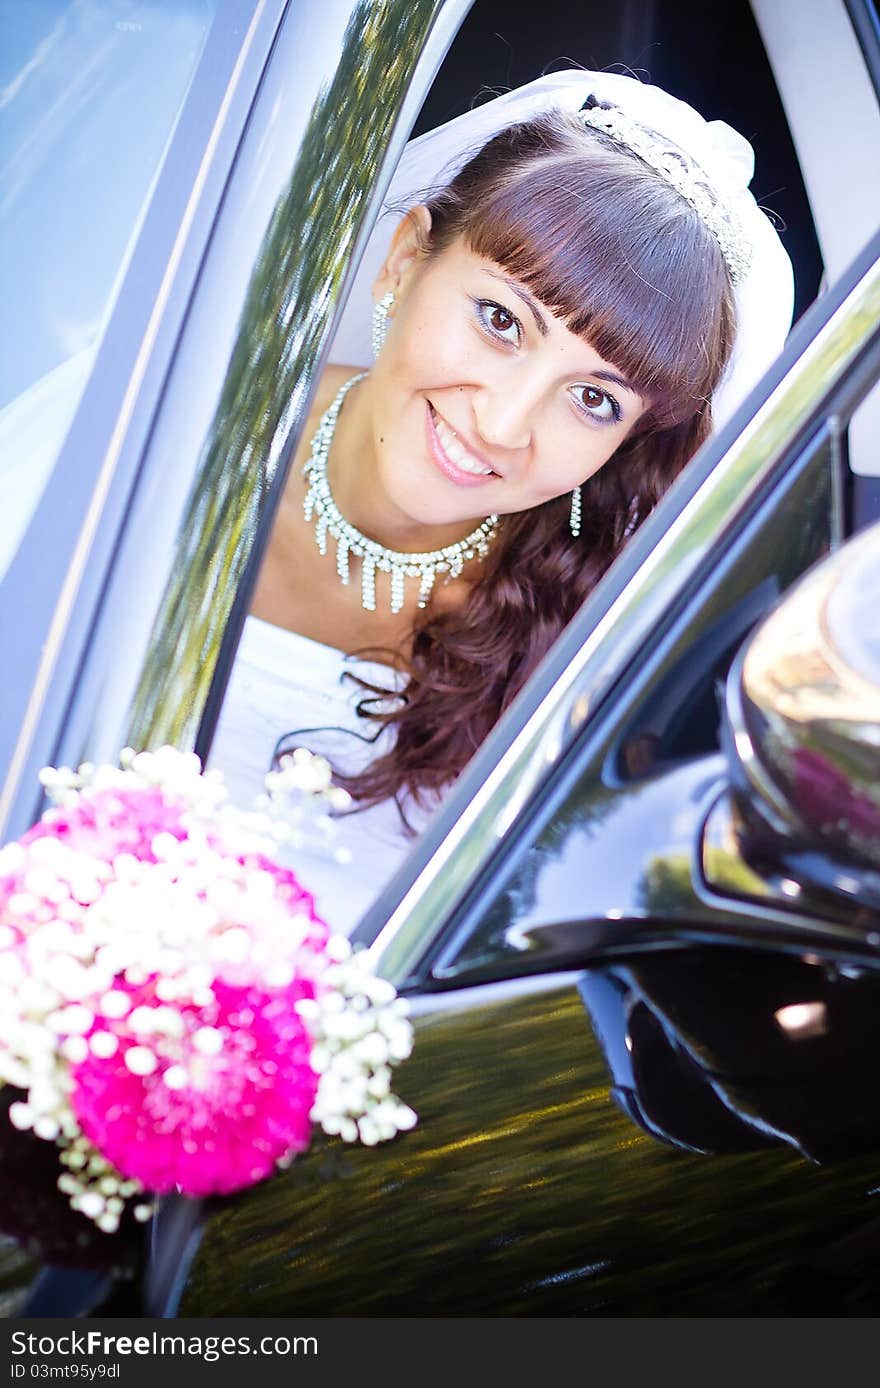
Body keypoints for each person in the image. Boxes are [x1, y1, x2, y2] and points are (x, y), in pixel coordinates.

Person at [208, 69, 794, 932]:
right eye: (500, 319)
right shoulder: (189, 431)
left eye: (595, 398)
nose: (503, 422)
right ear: (405, 262)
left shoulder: (593, 635)